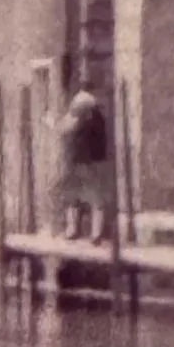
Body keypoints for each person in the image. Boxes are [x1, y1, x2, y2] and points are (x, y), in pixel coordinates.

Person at [58, 86, 112, 241]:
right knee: (91, 198)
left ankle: (77, 231)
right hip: (88, 162)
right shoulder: (97, 119)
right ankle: (93, 233)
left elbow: (64, 129)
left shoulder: (82, 120)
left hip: (83, 163)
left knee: (79, 197)